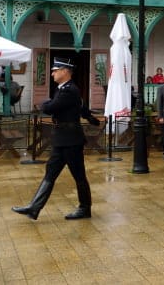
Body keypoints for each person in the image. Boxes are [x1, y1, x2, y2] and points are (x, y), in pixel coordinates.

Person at [12, 58, 102, 220]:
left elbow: (49, 108)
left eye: (55, 70)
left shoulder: (69, 90)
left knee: (79, 175)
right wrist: (90, 118)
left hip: (71, 140)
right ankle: (34, 208)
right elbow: (80, 107)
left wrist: (46, 103)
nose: (52, 73)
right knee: (51, 173)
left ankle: (85, 208)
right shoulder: (63, 89)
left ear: (65, 71)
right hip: (62, 139)